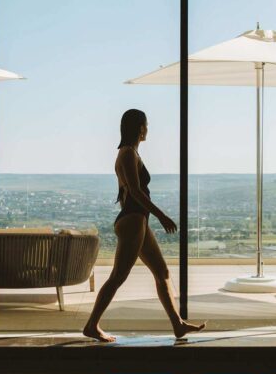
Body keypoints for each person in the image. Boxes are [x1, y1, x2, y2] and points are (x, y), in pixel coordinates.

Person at [82, 109, 204, 342]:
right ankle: (91, 325)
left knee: (162, 272)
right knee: (118, 276)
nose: (148, 129)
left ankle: (178, 325)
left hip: (138, 220)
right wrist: (161, 215)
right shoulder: (127, 153)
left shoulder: (131, 153)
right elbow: (135, 191)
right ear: (140, 128)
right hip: (133, 220)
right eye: (146, 125)